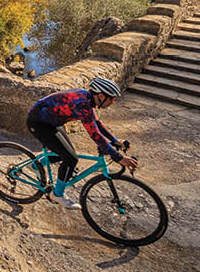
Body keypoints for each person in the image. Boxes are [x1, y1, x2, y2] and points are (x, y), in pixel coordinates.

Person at [26, 77, 138, 207]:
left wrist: (115, 140)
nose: (113, 102)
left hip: (53, 122)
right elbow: (95, 135)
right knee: (71, 159)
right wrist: (119, 157)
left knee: (66, 154)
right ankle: (57, 195)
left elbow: (97, 123)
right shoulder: (82, 105)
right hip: (39, 123)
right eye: (112, 99)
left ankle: (35, 166)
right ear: (101, 96)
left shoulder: (88, 99)